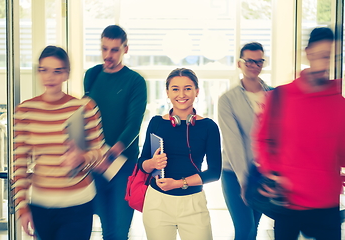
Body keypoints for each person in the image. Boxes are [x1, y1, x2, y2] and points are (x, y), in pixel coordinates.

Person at [254, 27, 345, 240]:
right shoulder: (281, 96)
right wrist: (273, 172)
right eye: (319, 54)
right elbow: (262, 140)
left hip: (326, 203)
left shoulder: (339, 104)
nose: (323, 61)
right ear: (308, 53)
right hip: (289, 202)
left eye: (328, 56)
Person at [12, 45, 107, 240]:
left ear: (67, 74)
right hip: (41, 205)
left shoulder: (84, 107)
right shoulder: (25, 111)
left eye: (57, 71)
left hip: (78, 205)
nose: (50, 77)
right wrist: (22, 207)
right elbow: (19, 164)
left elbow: (100, 154)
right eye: (44, 70)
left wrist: (82, 157)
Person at [138, 68, 222, 240]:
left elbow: (214, 172)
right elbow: (142, 164)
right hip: (157, 203)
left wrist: (178, 183)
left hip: (193, 204)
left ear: (197, 91)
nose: (181, 94)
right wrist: (152, 163)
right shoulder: (156, 123)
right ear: (167, 92)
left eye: (188, 88)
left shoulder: (209, 127)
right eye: (175, 89)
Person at [83, 25, 147, 240]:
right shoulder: (91, 75)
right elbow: (86, 118)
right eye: (104, 49)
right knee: (98, 225)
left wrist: (109, 155)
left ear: (125, 49)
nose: (108, 55)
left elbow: (133, 127)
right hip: (94, 164)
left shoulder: (135, 82)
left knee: (118, 231)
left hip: (123, 166)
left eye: (114, 50)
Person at [218, 42, 271, 240]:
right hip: (235, 174)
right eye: (249, 61)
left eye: (259, 61)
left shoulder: (272, 95)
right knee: (245, 229)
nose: (254, 65)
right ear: (240, 64)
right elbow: (233, 142)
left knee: (254, 229)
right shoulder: (227, 99)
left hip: (263, 173)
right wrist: (244, 180)